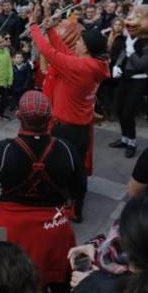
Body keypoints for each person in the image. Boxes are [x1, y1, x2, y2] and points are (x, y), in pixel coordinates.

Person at [0, 90, 85, 293]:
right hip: (52, 226)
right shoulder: (66, 149)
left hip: (12, 226)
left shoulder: (3, 150)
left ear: (19, 115)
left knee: (6, 276)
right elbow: (79, 190)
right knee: (60, 278)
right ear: (50, 118)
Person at [30, 12, 110, 193]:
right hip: (81, 127)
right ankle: (76, 202)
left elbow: (49, 52)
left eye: (81, 42)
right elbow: (64, 52)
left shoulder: (79, 68)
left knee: (61, 166)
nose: (77, 44)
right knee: (78, 166)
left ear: (87, 48)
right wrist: (50, 29)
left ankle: (64, 200)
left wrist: (34, 27)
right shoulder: (95, 64)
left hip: (66, 129)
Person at [108, 6, 148, 158]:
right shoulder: (130, 38)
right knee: (120, 111)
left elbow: (141, 65)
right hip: (124, 79)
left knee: (128, 114)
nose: (129, 21)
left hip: (138, 82)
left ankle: (132, 143)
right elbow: (123, 53)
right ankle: (124, 139)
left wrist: (132, 52)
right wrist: (117, 65)